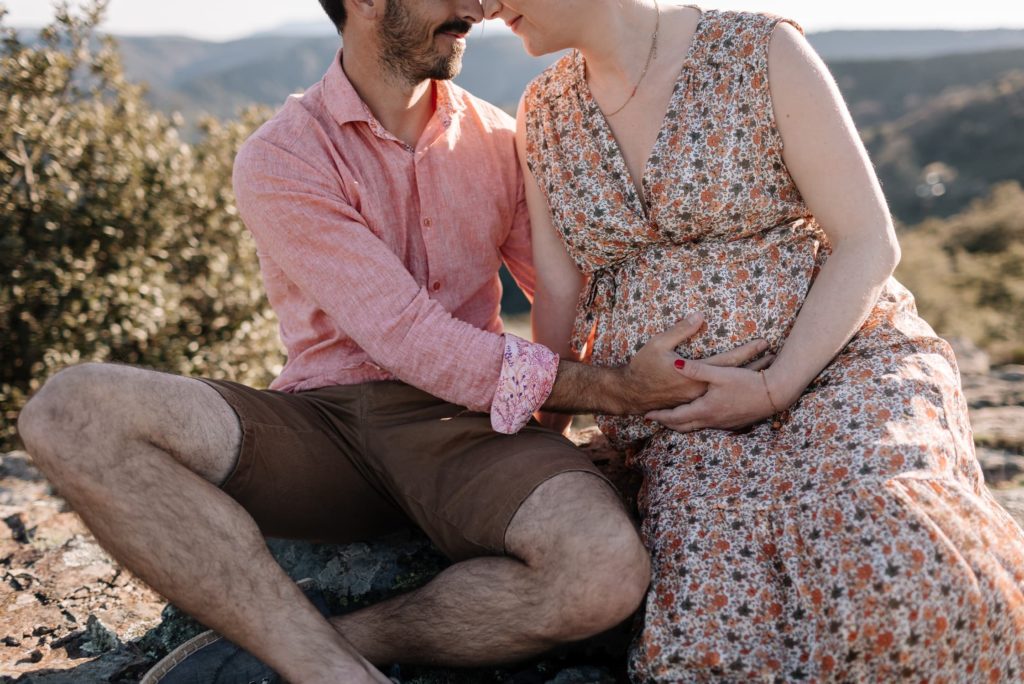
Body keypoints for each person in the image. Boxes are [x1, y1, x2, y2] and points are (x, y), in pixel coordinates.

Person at [14, 1, 774, 682]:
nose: (475, 7)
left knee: (603, 574)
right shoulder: (282, 155)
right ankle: (323, 671)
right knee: (72, 409)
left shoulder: (504, 141)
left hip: (468, 431)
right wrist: (612, 388)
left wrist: (736, 341)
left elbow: (568, 293)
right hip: (323, 427)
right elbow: (408, 337)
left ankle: (326, 643)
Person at [483, 0, 1024, 680]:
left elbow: (867, 241)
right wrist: (546, 434)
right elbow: (559, 293)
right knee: (718, 629)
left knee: (900, 560)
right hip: (684, 419)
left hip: (838, 367)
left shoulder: (759, 51)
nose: (482, 6)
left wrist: (775, 384)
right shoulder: (544, 112)